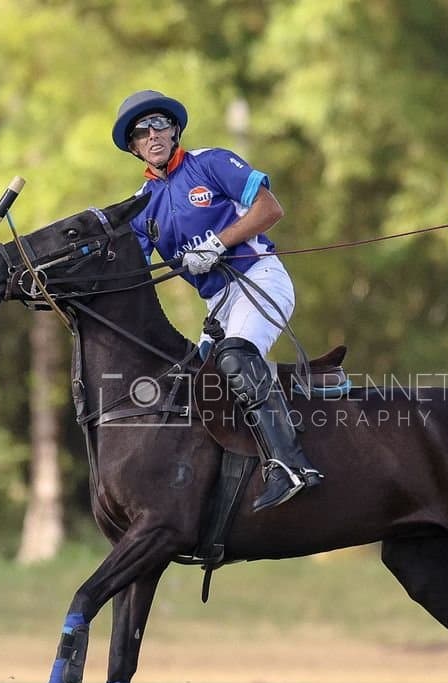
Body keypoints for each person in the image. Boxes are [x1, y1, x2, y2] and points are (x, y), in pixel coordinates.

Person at [112, 90, 323, 511]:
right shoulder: (142, 205)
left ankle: (290, 465)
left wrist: (218, 243)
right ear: (134, 147)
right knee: (191, 389)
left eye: (159, 125)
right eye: (141, 132)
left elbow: (270, 208)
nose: (152, 135)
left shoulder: (210, 163)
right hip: (218, 306)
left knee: (234, 358)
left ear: (174, 131)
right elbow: (129, 269)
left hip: (258, 278)